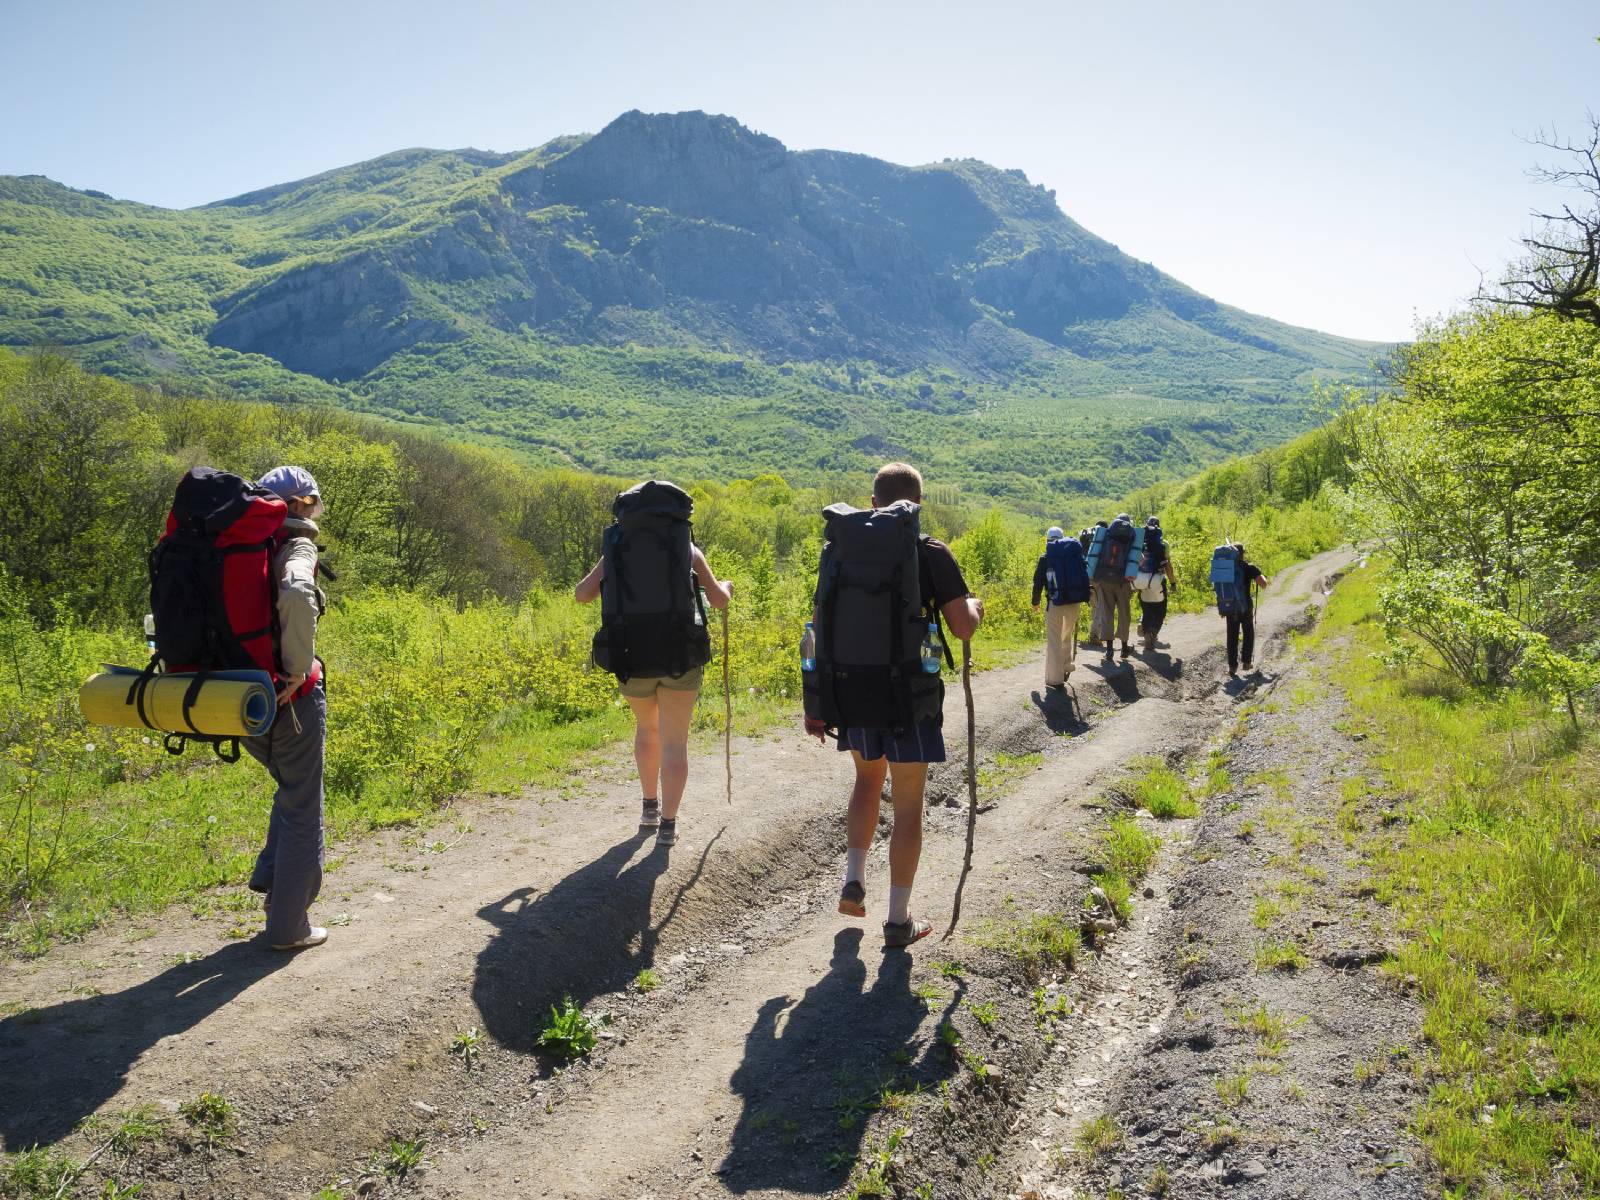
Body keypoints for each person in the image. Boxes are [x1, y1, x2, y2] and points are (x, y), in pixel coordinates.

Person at [804, 463, 984, 948]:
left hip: (853, 690)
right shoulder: (930, 552)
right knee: (908, 807)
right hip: (911, 697)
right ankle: (898, 920)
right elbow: (962, 626)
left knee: (866, 780)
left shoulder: (839, 551)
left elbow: (819, 625)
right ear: (917, 504)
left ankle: (854, 878)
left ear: (873, 500)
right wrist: (976, 605)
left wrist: (817, 699)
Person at [575, 521, 732, 848]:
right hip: (680, 659)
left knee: (648, 729)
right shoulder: (686, 549)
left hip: (632, 659)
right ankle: (667, 826)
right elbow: (718, 600)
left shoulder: (616, 550)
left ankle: (649, 809)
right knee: (675, 742)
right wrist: (727, 587)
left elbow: (582, 595)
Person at [248, 466, 330, 951]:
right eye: (314, 503)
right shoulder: (295, 545)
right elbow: (298, 593)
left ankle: (272, 882)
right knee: (303, 807)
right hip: (288, 697)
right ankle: (288, 927)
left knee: (288, 789)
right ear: (297, 504)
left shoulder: (236, 546)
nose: (316, 513)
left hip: (237, 698)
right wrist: (297, 668)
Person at [1031, 526, 1086, 689]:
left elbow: (1038, 583)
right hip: (1074, 602)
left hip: (1055, 603)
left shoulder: (1045, 558)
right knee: (1066, 636)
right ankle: (1066, 667)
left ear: (1048, 541)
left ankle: (1055, 679)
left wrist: (1035, 602)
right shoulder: (1074, 555)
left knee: (1054, 640)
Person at [1223, 544, 1271, 677]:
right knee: (1248, 632)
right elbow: (1263, 584)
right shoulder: (1249, 568)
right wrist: (1261, 575)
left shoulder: (1226, 568)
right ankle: (1246, 662)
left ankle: (1232, 667)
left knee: (1231, 636)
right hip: (1245, 607)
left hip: (1230, 607)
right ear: (1242, 554)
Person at [1093, 514, 1136, 659]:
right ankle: (1124, 648)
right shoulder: (1131, 536)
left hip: (1104, 580)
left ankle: (1109, 650)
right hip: (1122, 582)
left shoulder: (1107, 535)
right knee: (1124, 614)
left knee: (1107, 613)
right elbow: (1139, 561)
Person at [1135, 516, 1179, 653]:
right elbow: (1168, 566)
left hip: (1140, 581)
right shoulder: (1163, 544)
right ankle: (1152, 632)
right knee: (1160, 610)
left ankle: (1146, 628)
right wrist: (1173, 583)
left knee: (1146, 608)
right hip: (1157, 580)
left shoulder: (1139, 543)